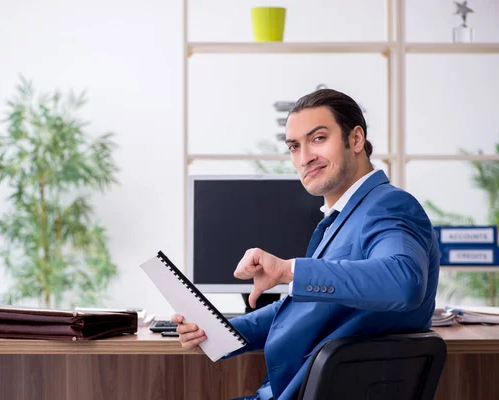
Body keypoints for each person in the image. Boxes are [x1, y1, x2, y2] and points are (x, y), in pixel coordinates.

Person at [171, 89, 440, 400]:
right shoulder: (343, 218)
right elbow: (306, 312)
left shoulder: (388, 205)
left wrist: (290, 271)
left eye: (318, 139)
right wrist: (216, 331)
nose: (304, 158)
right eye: (294, 146)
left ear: (355, 140)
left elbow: (403, 281)